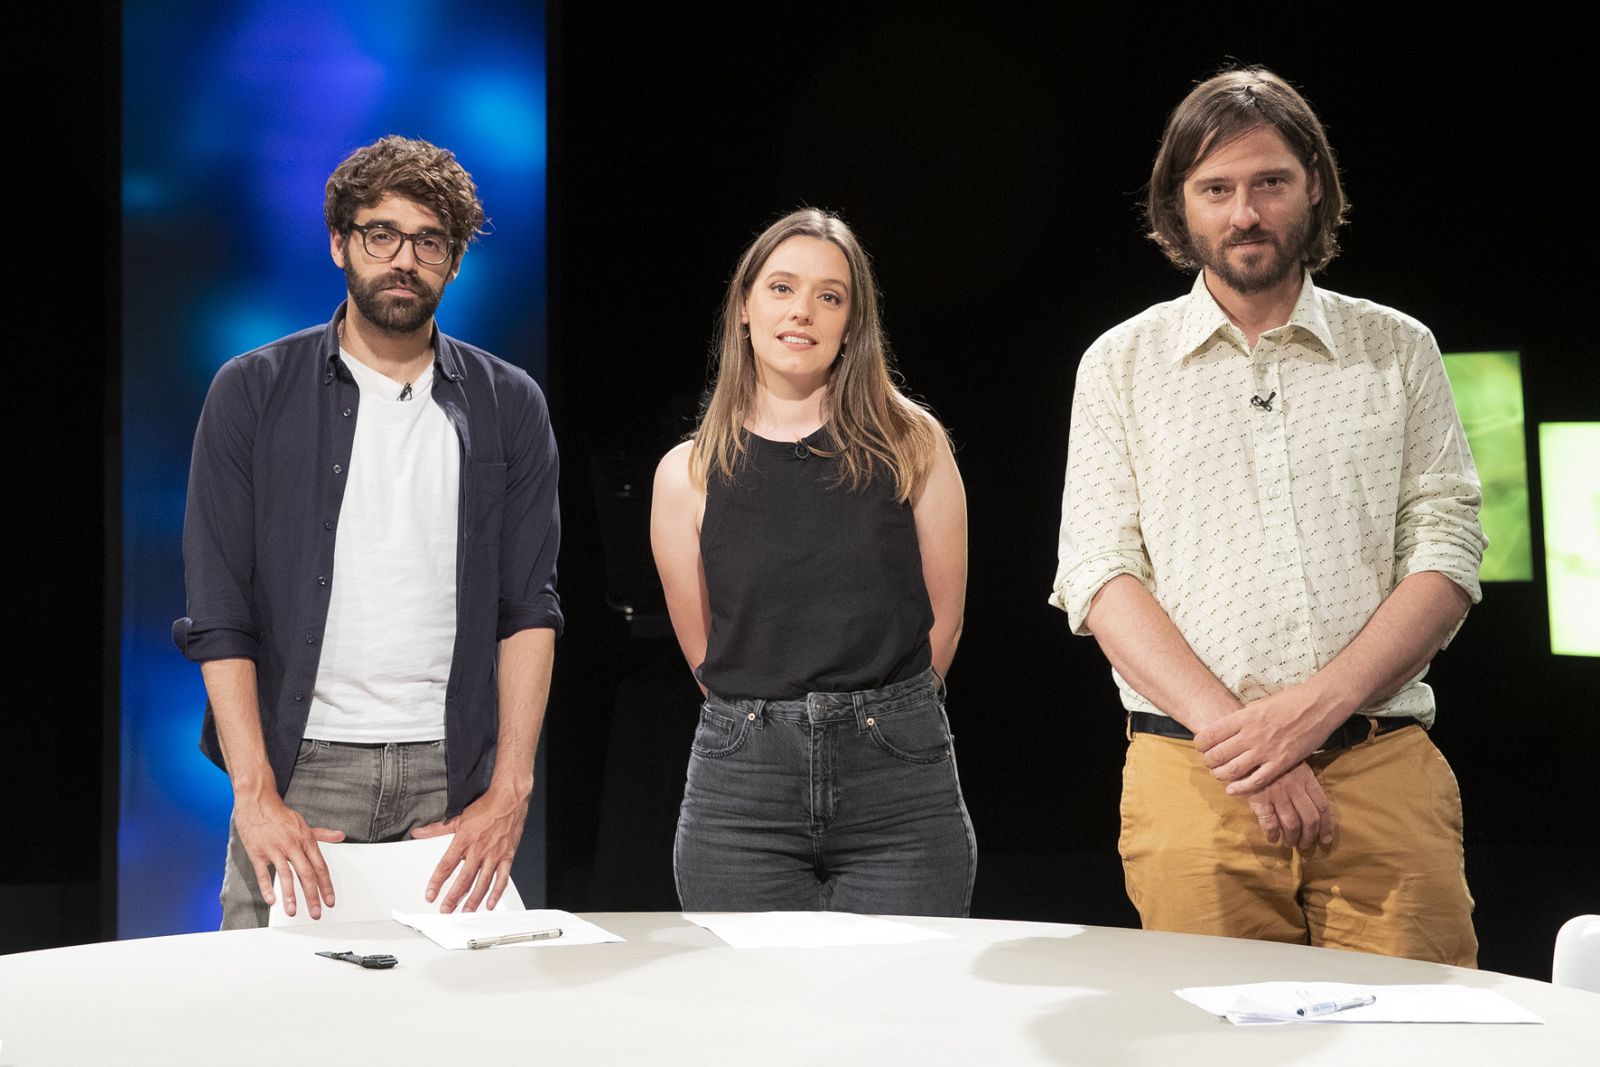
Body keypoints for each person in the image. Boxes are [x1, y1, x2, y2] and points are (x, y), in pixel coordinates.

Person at [1051, 68, 1485, 964]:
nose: (1244, 212)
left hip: (1380, 763)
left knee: (1420, 1045)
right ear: (1180, 207)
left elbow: (1447, 551)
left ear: (1314, 186)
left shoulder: (1398, 349)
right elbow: (1098, 573)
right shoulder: (1120, 365)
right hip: (1193, 777)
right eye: (1216, 190)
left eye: (1269, 183)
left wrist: (1312, 712)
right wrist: (1249, 744)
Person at [174, 135, 561, 928]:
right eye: (381, 234)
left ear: (453, 263)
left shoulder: (509, 403)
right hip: (302, 767)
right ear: (339, 243)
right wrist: (255, 793)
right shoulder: (252, 391)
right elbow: (218, 613)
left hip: (451, 773)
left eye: (428, 241)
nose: (403, 259)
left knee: (443, 1039)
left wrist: (511, 788)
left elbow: (529, 607)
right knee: (270, 1028)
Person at [650, 208, 976, 914]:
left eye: (829, 296)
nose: (803, 311)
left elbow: (942, 622)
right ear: (744, 307)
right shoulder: (689, 472)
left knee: (898, 1011)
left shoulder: (912, 443)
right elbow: (706, 652)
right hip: (743, 790)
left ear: (852, 322)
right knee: (758, 1016)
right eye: (781, 288)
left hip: (897, 786)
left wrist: (879, 716)